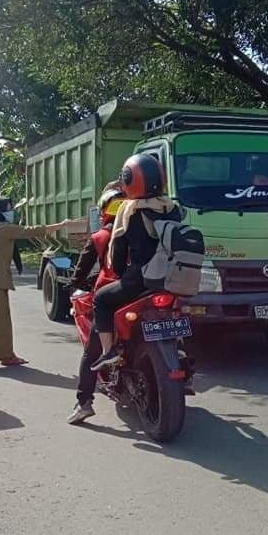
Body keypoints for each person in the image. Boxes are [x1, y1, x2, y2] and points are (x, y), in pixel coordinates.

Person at [90, 153, 181, 372]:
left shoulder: (129, 210)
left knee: (101, 299)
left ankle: (108, 352)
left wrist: (121, 275)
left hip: (140, 279)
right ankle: (178, 346)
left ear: (130, 180)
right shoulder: (172, 207)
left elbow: (118, 249)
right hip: (173, 277)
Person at [0, 196, 65, 372]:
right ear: (0, 211)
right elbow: (32, 231)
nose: (12, 211)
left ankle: (7, 355)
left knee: (2, 319)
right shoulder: (2, 229)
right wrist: (61, 225)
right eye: (8, 208)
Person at [67, 187, 123, 424]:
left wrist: (72, 284)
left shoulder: (100, 237)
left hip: (111, 294)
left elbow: (80, 271)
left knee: (92, 353)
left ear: (104, 212)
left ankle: (84, 403)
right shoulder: (148, 228)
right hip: (149, 290)